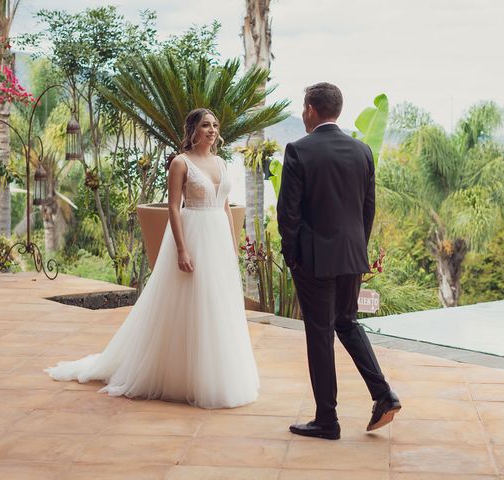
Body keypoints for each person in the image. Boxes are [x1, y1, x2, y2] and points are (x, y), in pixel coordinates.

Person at [46, 108, 259, 409]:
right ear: (193, 131)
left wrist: (232, 245)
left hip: (218, 240)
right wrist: (182, 249)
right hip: (193, 233)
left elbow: (224, 206)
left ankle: (217, 372)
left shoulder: (222, 163)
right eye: (205, 125)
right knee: (191, 301)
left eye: (214, 125)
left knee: (218, 304)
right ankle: (181, 374)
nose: (212, 130)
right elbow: (173, 207)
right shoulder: (181, 163)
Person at [277, 83, 400, 440]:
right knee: (346, 323)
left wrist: (293, 258)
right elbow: (368, 208)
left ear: (312, 110)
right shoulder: (361, 151)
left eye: (303, 108)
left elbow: (289, 215)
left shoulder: (299, 151)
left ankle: (327, 420)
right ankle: (383, 393)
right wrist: (356, 248)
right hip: (351, 255)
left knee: (320, 334)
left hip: (314, 260)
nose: (302, 114)